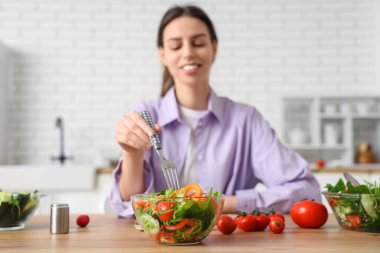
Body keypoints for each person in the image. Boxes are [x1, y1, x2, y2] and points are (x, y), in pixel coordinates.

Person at [109, 5, 321, 217]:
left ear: (214, 48)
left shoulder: (246, 120)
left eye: (198, 43)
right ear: (163, 55)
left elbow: (306, 191)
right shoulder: (146, 115)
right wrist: (132, 155)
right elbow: (127, 206)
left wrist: (220, 203)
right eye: (176, 46)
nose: (188, 53)